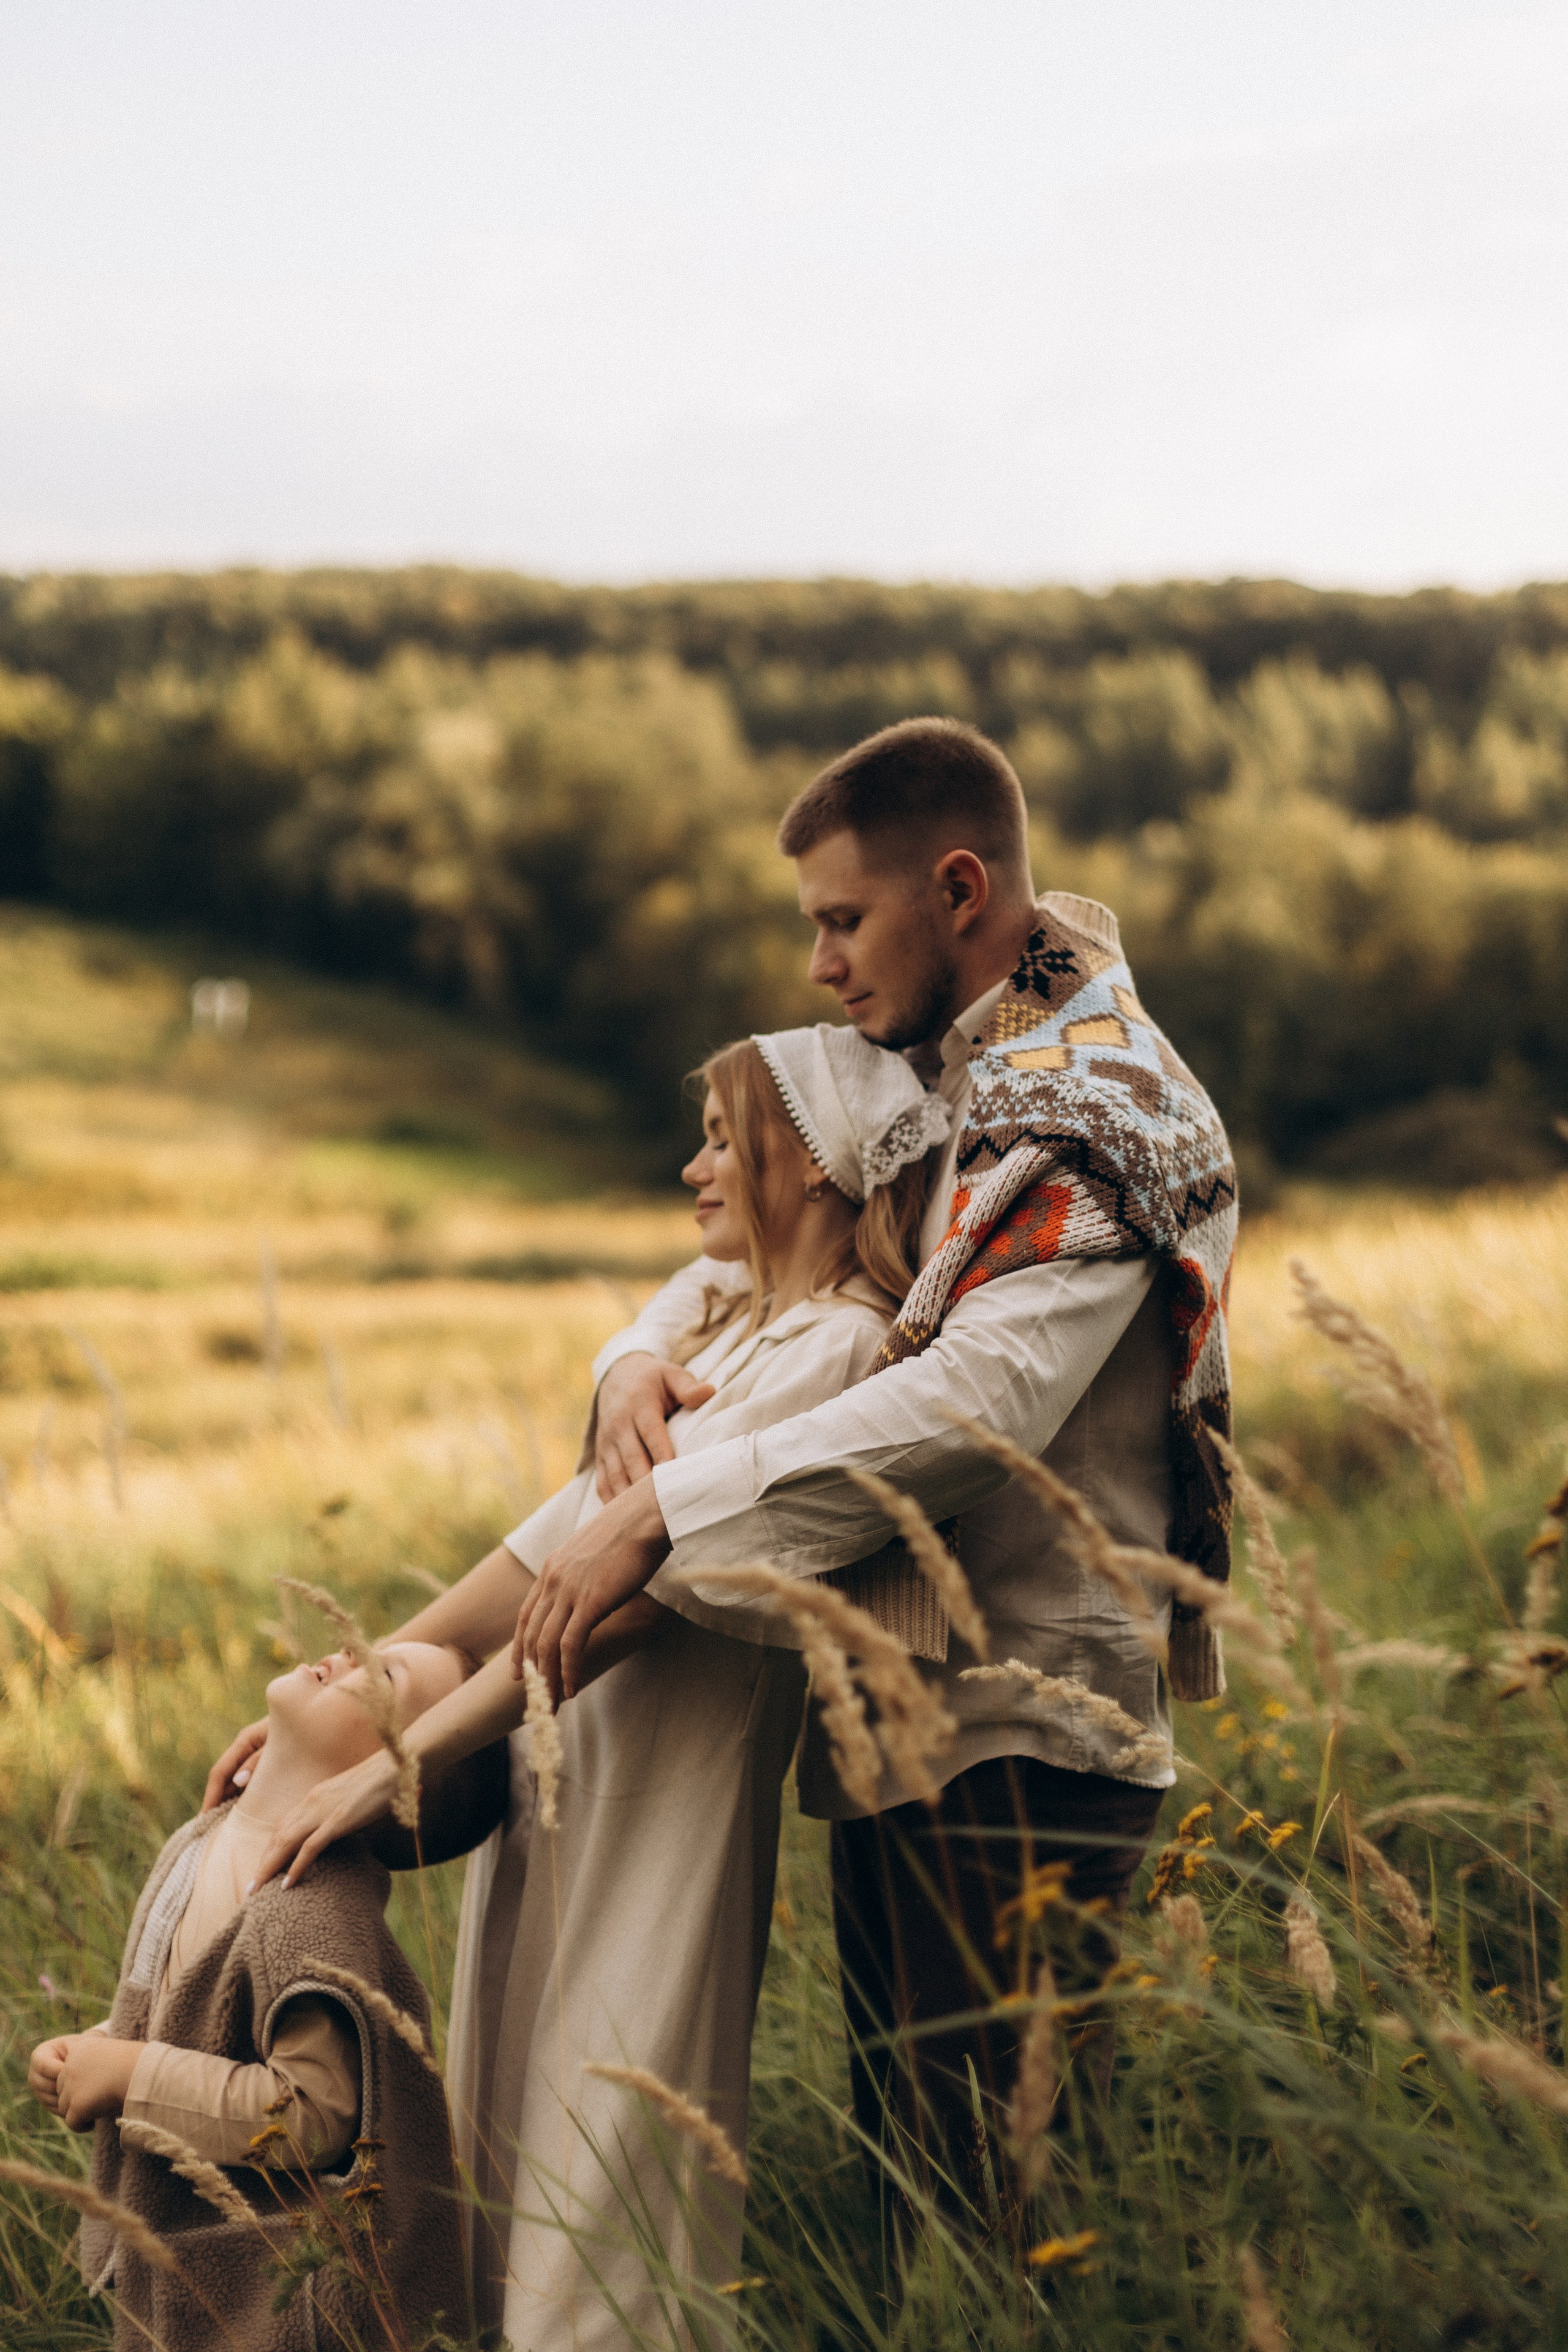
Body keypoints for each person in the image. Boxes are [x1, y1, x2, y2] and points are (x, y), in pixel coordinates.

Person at [511, 715, 1239, 2212]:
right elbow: (758, 1232)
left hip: (1032, 1723)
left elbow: (978, 1408)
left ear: (957, 888)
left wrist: (659, 1513)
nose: (818, 964)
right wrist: (628, 1363)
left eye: (842, 919)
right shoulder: (930, 1063)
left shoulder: (1103, 1103)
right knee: (911, 2192)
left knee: (1005, 2212)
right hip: (902, 1709)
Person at [210, 1024, 944, 2347]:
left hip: (662, 1796)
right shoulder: (727, 1319)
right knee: (512, 2119)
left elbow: (623, 1603)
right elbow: (546, 1553)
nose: (693, 1170)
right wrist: (349, 1699)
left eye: (722, 1142)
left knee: (613, 2128)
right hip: (558, 1772)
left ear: (815, 1164)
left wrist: (397, 1762)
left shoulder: (837, 1352)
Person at [31, 1637, 473, 2352]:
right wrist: (100, 2046)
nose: (351, 1650)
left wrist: (129, 2076)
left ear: (399, 1780)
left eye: (385, 1674)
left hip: (270, 2301)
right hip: (183, 2264)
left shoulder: (311, 1910)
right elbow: (190, 2012)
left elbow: (313, 2115)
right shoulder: (200, 1839)